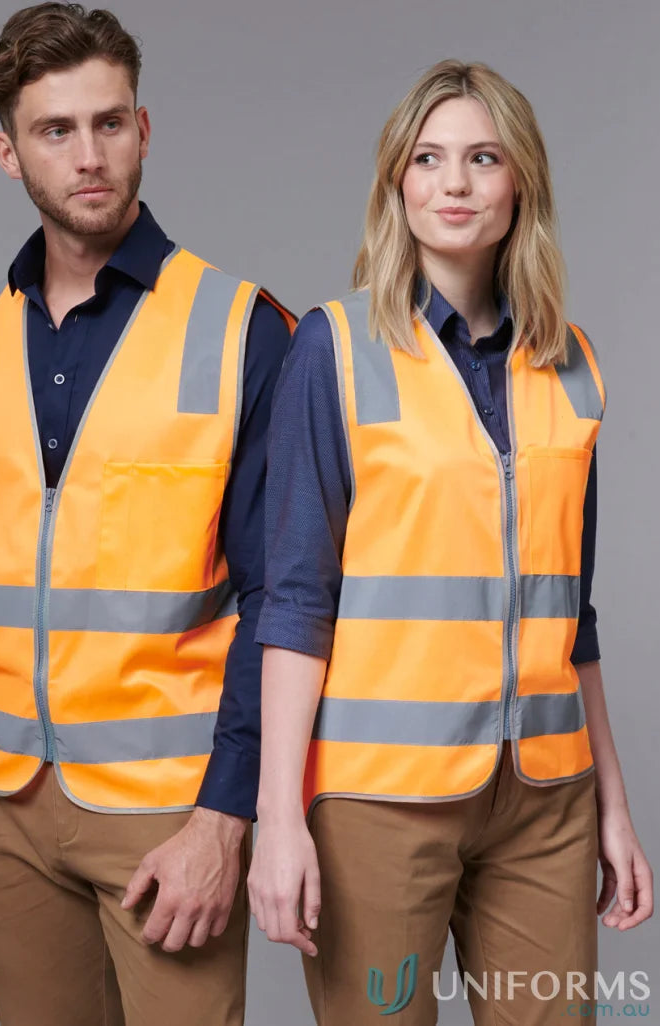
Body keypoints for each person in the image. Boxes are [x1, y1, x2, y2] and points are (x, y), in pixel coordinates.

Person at [0, 5, 294, 1025]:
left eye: (109, 123)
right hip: (0, 811)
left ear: (143, 129)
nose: (89, 154)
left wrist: (223, 820)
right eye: (55, 131)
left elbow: (281, 600)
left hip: (167, 809)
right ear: (6, 151)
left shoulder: (241, 330)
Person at [248, 59, 653, 1026]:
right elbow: (295, 601)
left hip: (545, 803)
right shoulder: (333, 348)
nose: (455, 183)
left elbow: (571, 614)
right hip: (380, 802)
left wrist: (614, 807)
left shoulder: (572, 364)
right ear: (398, 183)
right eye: (427, 159)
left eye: (481, 157)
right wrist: (276, 818)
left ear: (521, 185)